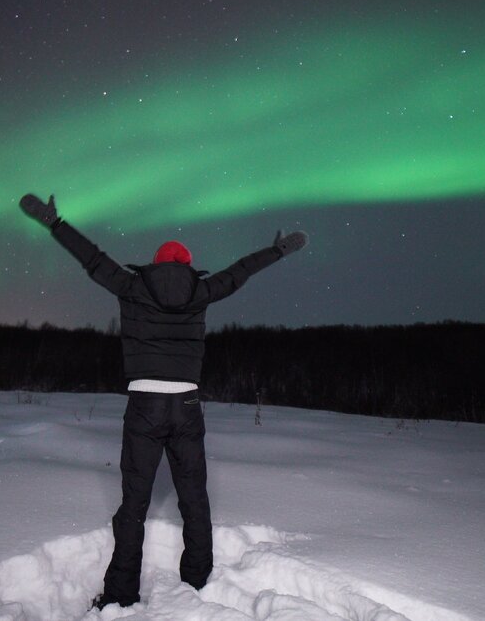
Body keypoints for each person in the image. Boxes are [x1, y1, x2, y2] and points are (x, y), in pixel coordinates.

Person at [18, 193, 308, 609]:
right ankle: (198, 579)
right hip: (187, 406)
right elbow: (239, 273)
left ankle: (120, 596)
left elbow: (93, 259)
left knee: (134, 503)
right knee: (195, 496)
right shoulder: (201, 291)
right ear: (188, 265)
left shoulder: (132, 286)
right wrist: (276, 251)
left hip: (145, 406)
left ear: (156, 263)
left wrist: (55, 223)